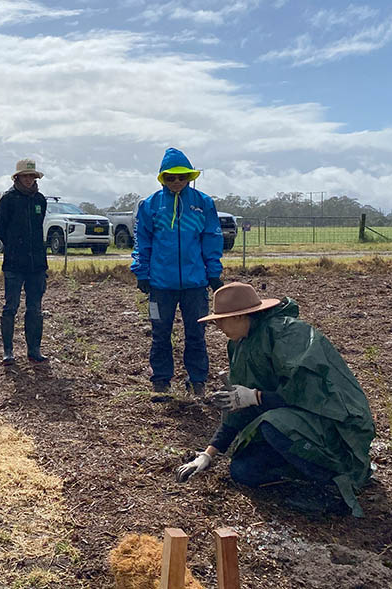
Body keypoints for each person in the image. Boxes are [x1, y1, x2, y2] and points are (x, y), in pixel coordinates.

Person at [174, 282, 376, 517]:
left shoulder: (288, 335)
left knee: (273, 424)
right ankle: (303, 471)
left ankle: (335, 487)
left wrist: (255, 397)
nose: (217, 325)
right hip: (296, 421)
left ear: (241, 316)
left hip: (334, 425)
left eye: (221, 319)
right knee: (243, 471)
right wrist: (207, 455)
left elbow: (308, 394)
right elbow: (238, 406)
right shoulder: (240, 344)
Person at [131, 147, 223, 397]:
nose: (177, 182)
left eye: (182, 177)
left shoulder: (203, 204)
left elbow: (211, 239)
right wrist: (142, 271)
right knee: (160, 334)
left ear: (190, 178)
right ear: (163, 178)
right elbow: (142, 241)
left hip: (195, 284)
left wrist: (213, 273)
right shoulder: (150, 206)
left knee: (196, 333)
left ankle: (197, 381)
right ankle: (161, 381)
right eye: (171, 177)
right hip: (161, 285)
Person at [0, 158, 49, 365]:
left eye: (32, 176)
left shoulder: (40, 200)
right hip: (14, 264)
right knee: (11, 306)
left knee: (35, 308)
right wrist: (13, 245)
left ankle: (34, 349)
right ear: (18, 177)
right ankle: (8, 351)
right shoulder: (8, 200)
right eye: (25, 176)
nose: (29, 180)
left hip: (37, 264)